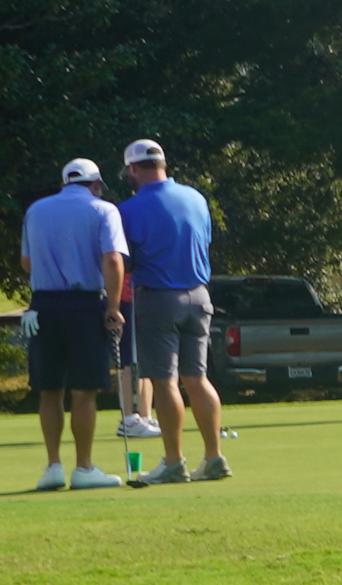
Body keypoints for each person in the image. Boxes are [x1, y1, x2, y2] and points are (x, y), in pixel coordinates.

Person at [119, 139, 230, 484]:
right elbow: (204, 244)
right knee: (197, 379)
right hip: (200, 296)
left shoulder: (128, 209)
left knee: (165, 381)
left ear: (132, 169)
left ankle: (173, 462)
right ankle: (213, 457)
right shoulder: (196, 198)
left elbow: (125, 261)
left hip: (158, 299)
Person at [20, 157, 128, 491]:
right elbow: (113, 259)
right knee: (84, 390)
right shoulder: (103, 210)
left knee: (49, 389)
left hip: (43, 306)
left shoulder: (36, 210)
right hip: (83, 305)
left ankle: (53, 466)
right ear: (95, 184)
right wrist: (113, 307)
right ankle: (83, 468)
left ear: (64, 183)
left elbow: (26, 262)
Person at [113, 271, 160, 438]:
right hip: (126, 300)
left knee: (144, 360)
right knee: (131, 362)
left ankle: (145, 417)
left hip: (143, 298)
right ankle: (128, 419)